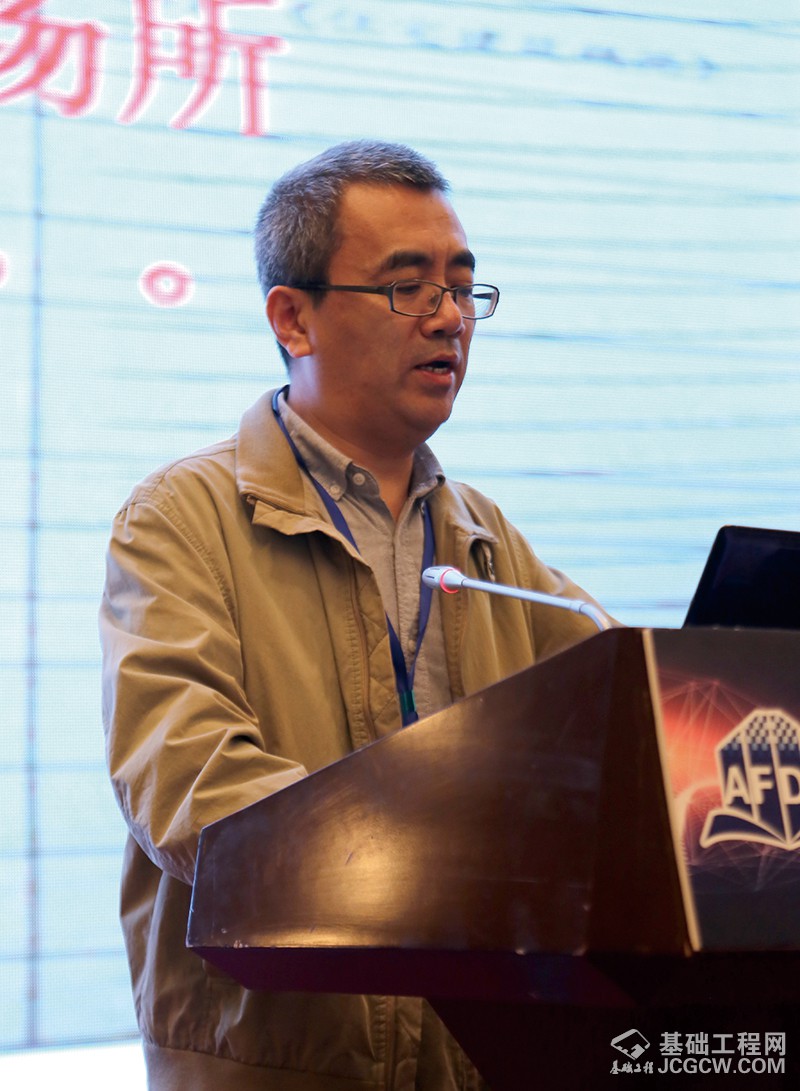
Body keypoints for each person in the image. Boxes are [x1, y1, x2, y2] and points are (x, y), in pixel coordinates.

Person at [100, 140, 607, 1091]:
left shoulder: (484, 537)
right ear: (292, 317)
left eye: (463, 287)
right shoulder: (182, 517)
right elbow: (189, 786)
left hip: (473, 1059)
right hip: (281, 1066)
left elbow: (626, 724)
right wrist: (438, 863)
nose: (451, 317)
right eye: (409, 287)